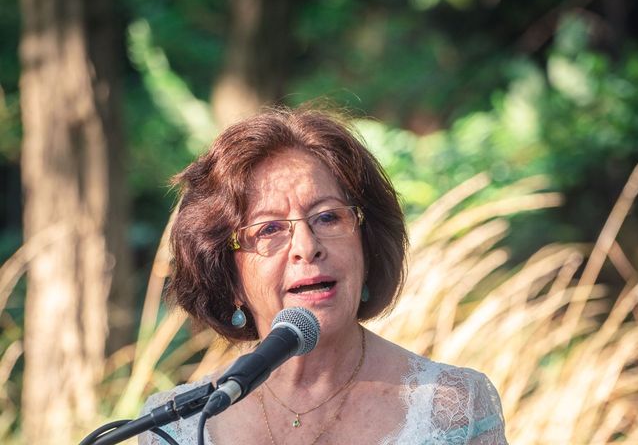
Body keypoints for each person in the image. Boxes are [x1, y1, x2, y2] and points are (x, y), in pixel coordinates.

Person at [139, 107, 507, 445]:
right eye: (269, 230)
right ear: (228, 275)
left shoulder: (453, 407)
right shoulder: (175, 426)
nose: (306, 246)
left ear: (367, 244)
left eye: (328, 217)